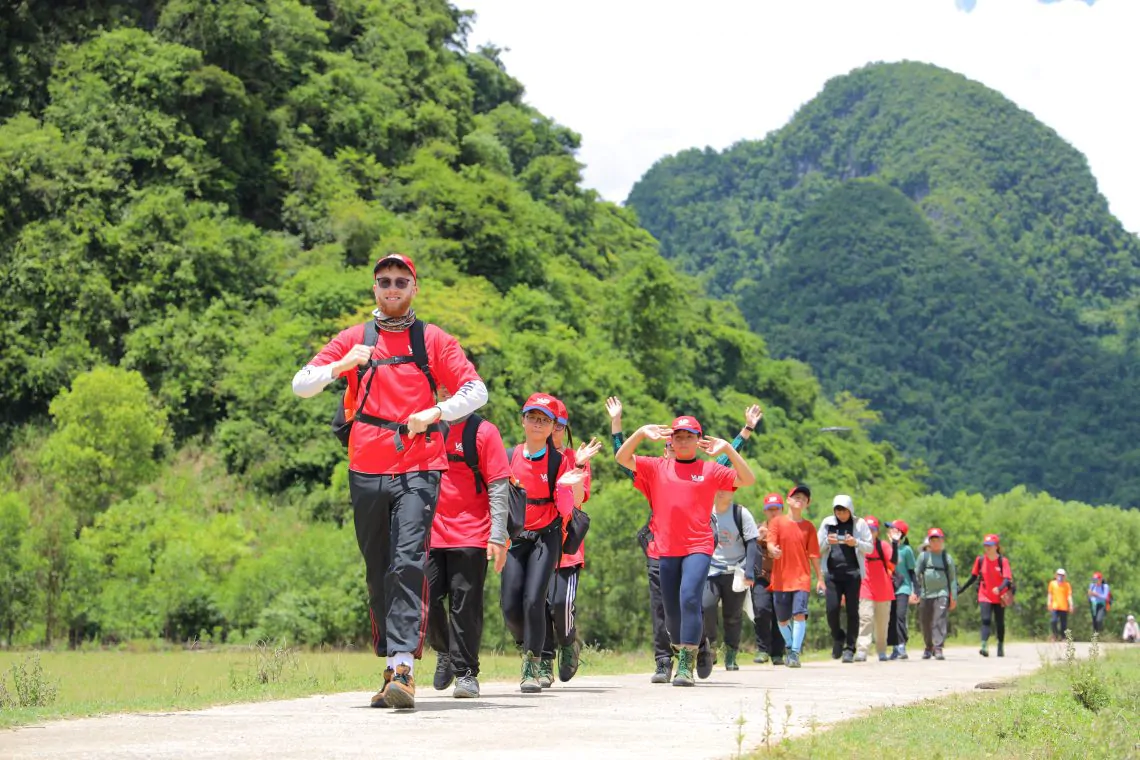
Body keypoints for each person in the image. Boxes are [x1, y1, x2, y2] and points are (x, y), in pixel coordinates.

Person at [292, 253, 488, 710]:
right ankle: (390, 665)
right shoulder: (352, 339)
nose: (393, 287)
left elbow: (476, 390)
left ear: (414, 288)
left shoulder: (433, 340)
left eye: (402, 281)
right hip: (365, 466)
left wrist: (435, 412)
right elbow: (301, 384)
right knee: (378, 568)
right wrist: (340, 367)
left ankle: (404, 666)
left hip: (419, 464)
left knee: (407, 561)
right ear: (374, 288)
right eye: (384, 281)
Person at [607, 397, 758, 683]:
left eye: (690, 436)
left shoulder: (711, 469)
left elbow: (747, 479)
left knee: (689, 597)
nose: (684, 441)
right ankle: (686, 646)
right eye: (678, 436)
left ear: (699, 440)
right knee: (671, 611)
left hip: (699, 546)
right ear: (671, 441)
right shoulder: (656, 468)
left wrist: (728, 446)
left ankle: (685, 663)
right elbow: (621, 459)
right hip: (665, 548)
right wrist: (639, 432)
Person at [503, 394, 600, 693]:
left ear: (555, 427)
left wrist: (571, 480)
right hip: (517, 538)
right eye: (533, 417)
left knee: (539, 600)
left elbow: (570, 508)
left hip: (549, 537)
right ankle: (530, 644)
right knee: (510, 606)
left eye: (547, 421)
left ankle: (534, 662)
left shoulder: (563, 461)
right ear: (522, 420)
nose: (540, 424)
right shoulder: (509, 456)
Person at [427, 387, 510, 699]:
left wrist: (497, 536)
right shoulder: (428, 426)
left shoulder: (484, 432)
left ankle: (466, 674)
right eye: (443, 386)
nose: (447, 391)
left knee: (465, 606)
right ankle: (444, 650)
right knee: (425, 599)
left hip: (472, 533)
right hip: (430, 532)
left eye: (455, 386)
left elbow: (499, 486)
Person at [540, 397, 589, 686]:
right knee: (537, 604)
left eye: (560, 425)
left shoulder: (574, 458)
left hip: (567, 546)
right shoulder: (531, 454)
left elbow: (581, 499)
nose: (554, 430)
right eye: (550, 423)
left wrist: (580, 468)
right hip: (536, 542)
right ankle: (543, 659)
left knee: (561, 602)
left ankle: (568, 643)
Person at [766, 485, 823, 668]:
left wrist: (820, 578)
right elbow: (770, 542)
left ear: (808, 503)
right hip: (781, 579)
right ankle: (790, 645)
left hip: (802, 578)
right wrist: (772, 550)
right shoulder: (777, 522)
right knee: (782, 620)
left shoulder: (809, 527)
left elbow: (814, 554)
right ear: (788, 500)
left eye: (804, 497)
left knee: (799, 614)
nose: (800, 499)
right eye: (795, 496)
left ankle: (795, 652)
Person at [702, 491, 759, 671]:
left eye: (725, 488)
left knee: (733, 616)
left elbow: (752, 543)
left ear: (732, 492)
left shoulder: (741, 514)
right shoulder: (705, 512)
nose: (719, 492)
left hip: (736, 571)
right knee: (706, 606)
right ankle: (710, 646)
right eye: (716, 488)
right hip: (711, 569)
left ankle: (731, 654)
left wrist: (749, 572)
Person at [816, 494, 872, 664]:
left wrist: (855, 542)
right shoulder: (827, 523)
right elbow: (817, 547)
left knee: (852, 611)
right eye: (838, 511)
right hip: (832, 574)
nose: (841, 514)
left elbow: (869, 548)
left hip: (853, 573)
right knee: (831, 610)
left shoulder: (859, 524)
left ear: (850, 510)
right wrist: (827, 541)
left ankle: (850, 647)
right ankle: (838, 637)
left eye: (844, 511)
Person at [957, 534, 1013, 658]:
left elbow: (1007, 579)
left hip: (1000, 595)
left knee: (999, 622)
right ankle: (984, 646)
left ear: (996, 547)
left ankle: (1000, 645)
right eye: (986, 545)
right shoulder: (980, 560)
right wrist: (961, 589)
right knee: (985, 620)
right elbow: (973, 577)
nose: (987, 548)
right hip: (985, 594)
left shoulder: (1002, 561)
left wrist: (999, 588)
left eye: (990, 546)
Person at [752, 493, 788, 665]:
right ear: (765, 511)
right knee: (761, 610)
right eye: (770, 509)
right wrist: (756, 539)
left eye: (777, 509)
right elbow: (747, 549)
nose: (773, 513)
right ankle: (762, 649)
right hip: (762, 577)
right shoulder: (757, 529)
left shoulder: (789, 529)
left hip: (783, 578)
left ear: (782, 510)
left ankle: (777, 653)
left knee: (780, 615)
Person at [912, 527, 957, 661]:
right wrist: (914, 591)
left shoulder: (946, 558)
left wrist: (953, 596)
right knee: (925, 622)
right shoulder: (924, 557)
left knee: (939, 619)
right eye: (933, 540)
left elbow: (953, 579)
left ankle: (938, 648)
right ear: (929, 542)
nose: (936, 542)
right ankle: (928, 647)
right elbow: (915, 574)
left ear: (942, 541)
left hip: (942, 593)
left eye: (938, 540)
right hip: (925, 594)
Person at [855, 516, 896, 662]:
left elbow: (894, 562)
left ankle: (881, 650)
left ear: (877, 532)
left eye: (872, 530)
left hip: (884, 591)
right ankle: (862, 650)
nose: (870, 533)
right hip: (865, 589)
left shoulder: (883, 546)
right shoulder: (857, 546)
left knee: (882, 624)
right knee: (865, 619)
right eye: (867, 530)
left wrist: (895, 544)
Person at [885, 520, 917, 660]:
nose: (889, 532)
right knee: (891, 618)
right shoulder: (886, 548)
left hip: (903, 587)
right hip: (888, 588)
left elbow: (912, 572)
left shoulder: (906, 550)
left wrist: (915, 590)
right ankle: (894, 647)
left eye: (892, 529)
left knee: (900, 615)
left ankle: (902, 645)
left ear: (900, 533)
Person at [1047, 569, 1074, 642]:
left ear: (1064, 576)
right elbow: (1050, 594)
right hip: (1054, 606)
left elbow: (1069, 596)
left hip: (1064, 607)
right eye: (1059, 575)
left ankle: (1063, 637)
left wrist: (1071, 605)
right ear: (1056, 575)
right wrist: (1048, 603)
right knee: (1053, 621)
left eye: (1062, 575)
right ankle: (1054, 635)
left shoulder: (1067, 585)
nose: (1060, 576)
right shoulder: (1052, 583)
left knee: (1063, 623)